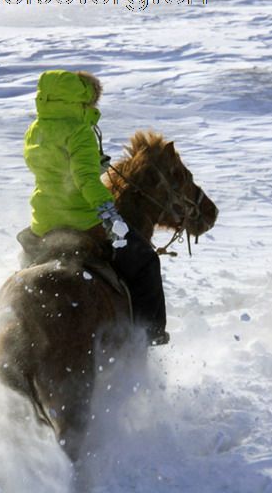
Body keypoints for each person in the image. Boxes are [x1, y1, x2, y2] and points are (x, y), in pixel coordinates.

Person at [23, 69, 169, 345]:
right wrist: (108, 213)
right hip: (83, 221)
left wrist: (92, 164)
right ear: (81, 100)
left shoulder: (35, 130)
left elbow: (49, 168)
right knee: (146, 261)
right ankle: (151, 334)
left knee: (24, 266)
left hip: (43, 220)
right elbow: (86, 181)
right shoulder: (80, 133)